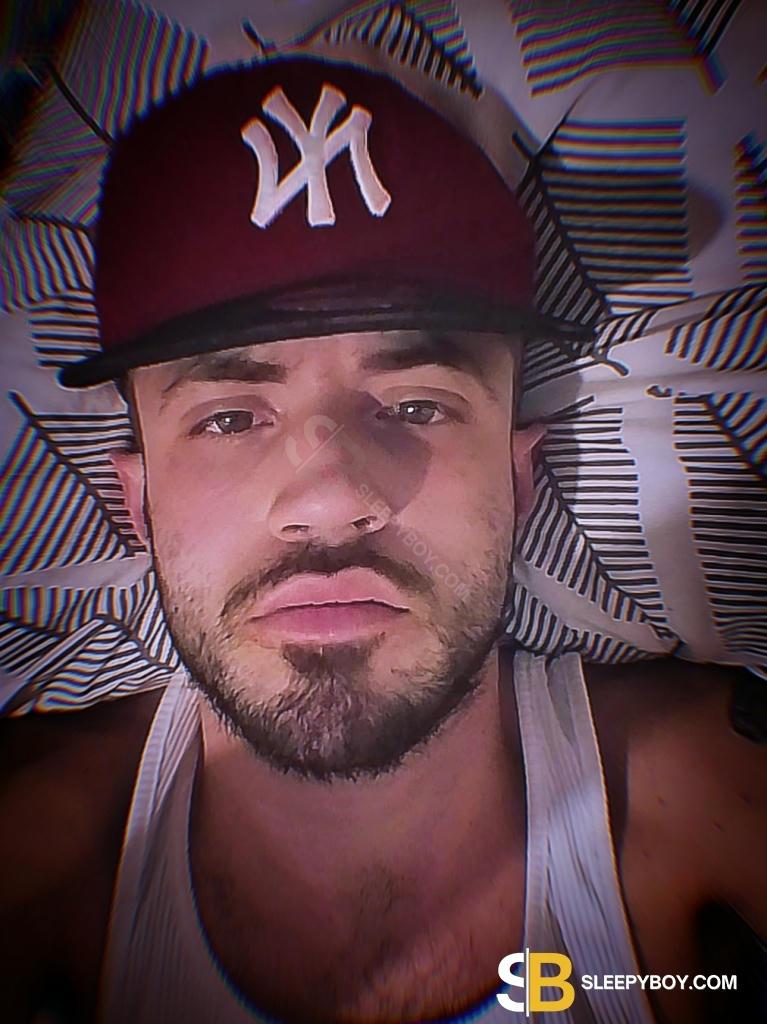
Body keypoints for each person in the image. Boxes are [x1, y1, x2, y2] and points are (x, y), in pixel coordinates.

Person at [1, 54, 765, 1024]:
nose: (330, 502)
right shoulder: (31, 854)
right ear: (137, 500)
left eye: (415, 404)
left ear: (519, 477)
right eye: (229, 417)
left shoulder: (714, 795)